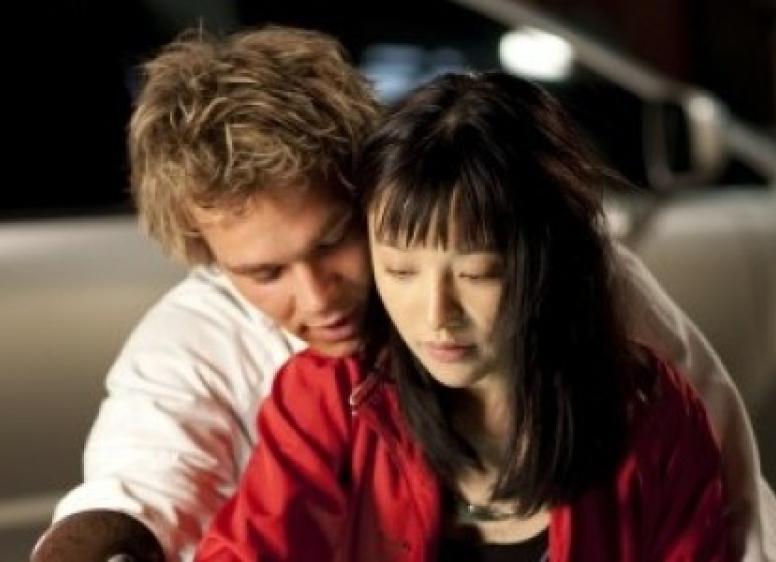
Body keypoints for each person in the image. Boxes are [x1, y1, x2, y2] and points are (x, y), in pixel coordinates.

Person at [31, 27, 774, 562]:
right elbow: (142, 478)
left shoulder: (572, 295)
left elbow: (730, 497)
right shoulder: (263, 366)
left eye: (333, 241)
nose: (319, 296)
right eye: (265, 273)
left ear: (376, 195)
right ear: (212, 262)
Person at [194, 70, 731, 562]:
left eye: (477, 274)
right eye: (400, 271)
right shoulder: (334, 396)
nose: (437, 315)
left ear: (548, 262)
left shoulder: (650, 415)